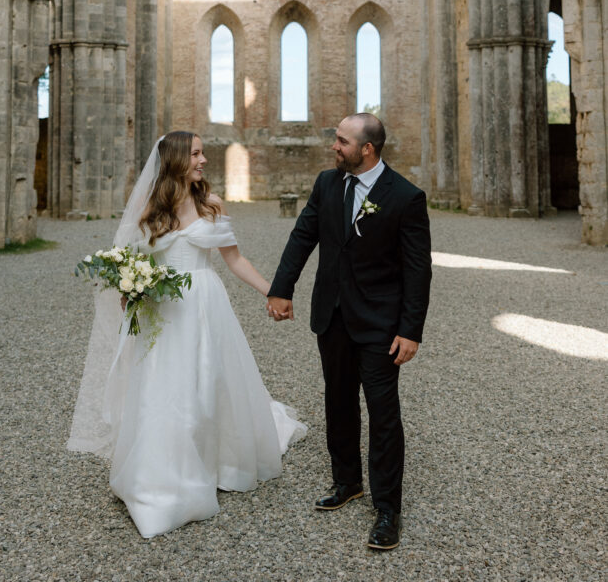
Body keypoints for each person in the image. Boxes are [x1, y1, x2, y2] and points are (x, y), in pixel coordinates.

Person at [68, 131, 306, 538]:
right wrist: (130, 288)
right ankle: (163, 470)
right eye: (197, 154)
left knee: (208, 379)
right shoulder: (149, 209)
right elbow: (129, 260)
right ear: (177, 160)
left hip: (204, 305)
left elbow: (235, 260)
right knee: (164, 387)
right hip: (163, 308)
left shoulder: (211, 205)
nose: (204, 161)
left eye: (203, 154)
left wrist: (274, 291)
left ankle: (217, 459)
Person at [267, 112, 431, 552]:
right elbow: (303, 236)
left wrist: (410, 330)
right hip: (331, 317)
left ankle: (388, 509)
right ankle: (347, 482)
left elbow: (418, 271)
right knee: (337, 401)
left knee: (383, 414)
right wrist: (282, 288)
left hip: (380, 325)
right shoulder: (328, 183)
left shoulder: (406, 197)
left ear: (367, 149)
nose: (334, 147)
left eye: (341, 141)